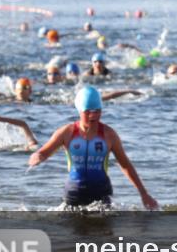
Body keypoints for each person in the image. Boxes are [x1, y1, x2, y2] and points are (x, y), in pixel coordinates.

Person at [27, 86, 159, 210]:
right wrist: (37, 157)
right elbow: (43, 152)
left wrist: (144, 194)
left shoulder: (109, 135)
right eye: (88, 111)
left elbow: (125, 165)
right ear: (79, 110)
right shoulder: (66, 132)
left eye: (97, 110)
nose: (93, 115)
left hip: (101, 194)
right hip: (73, 193)